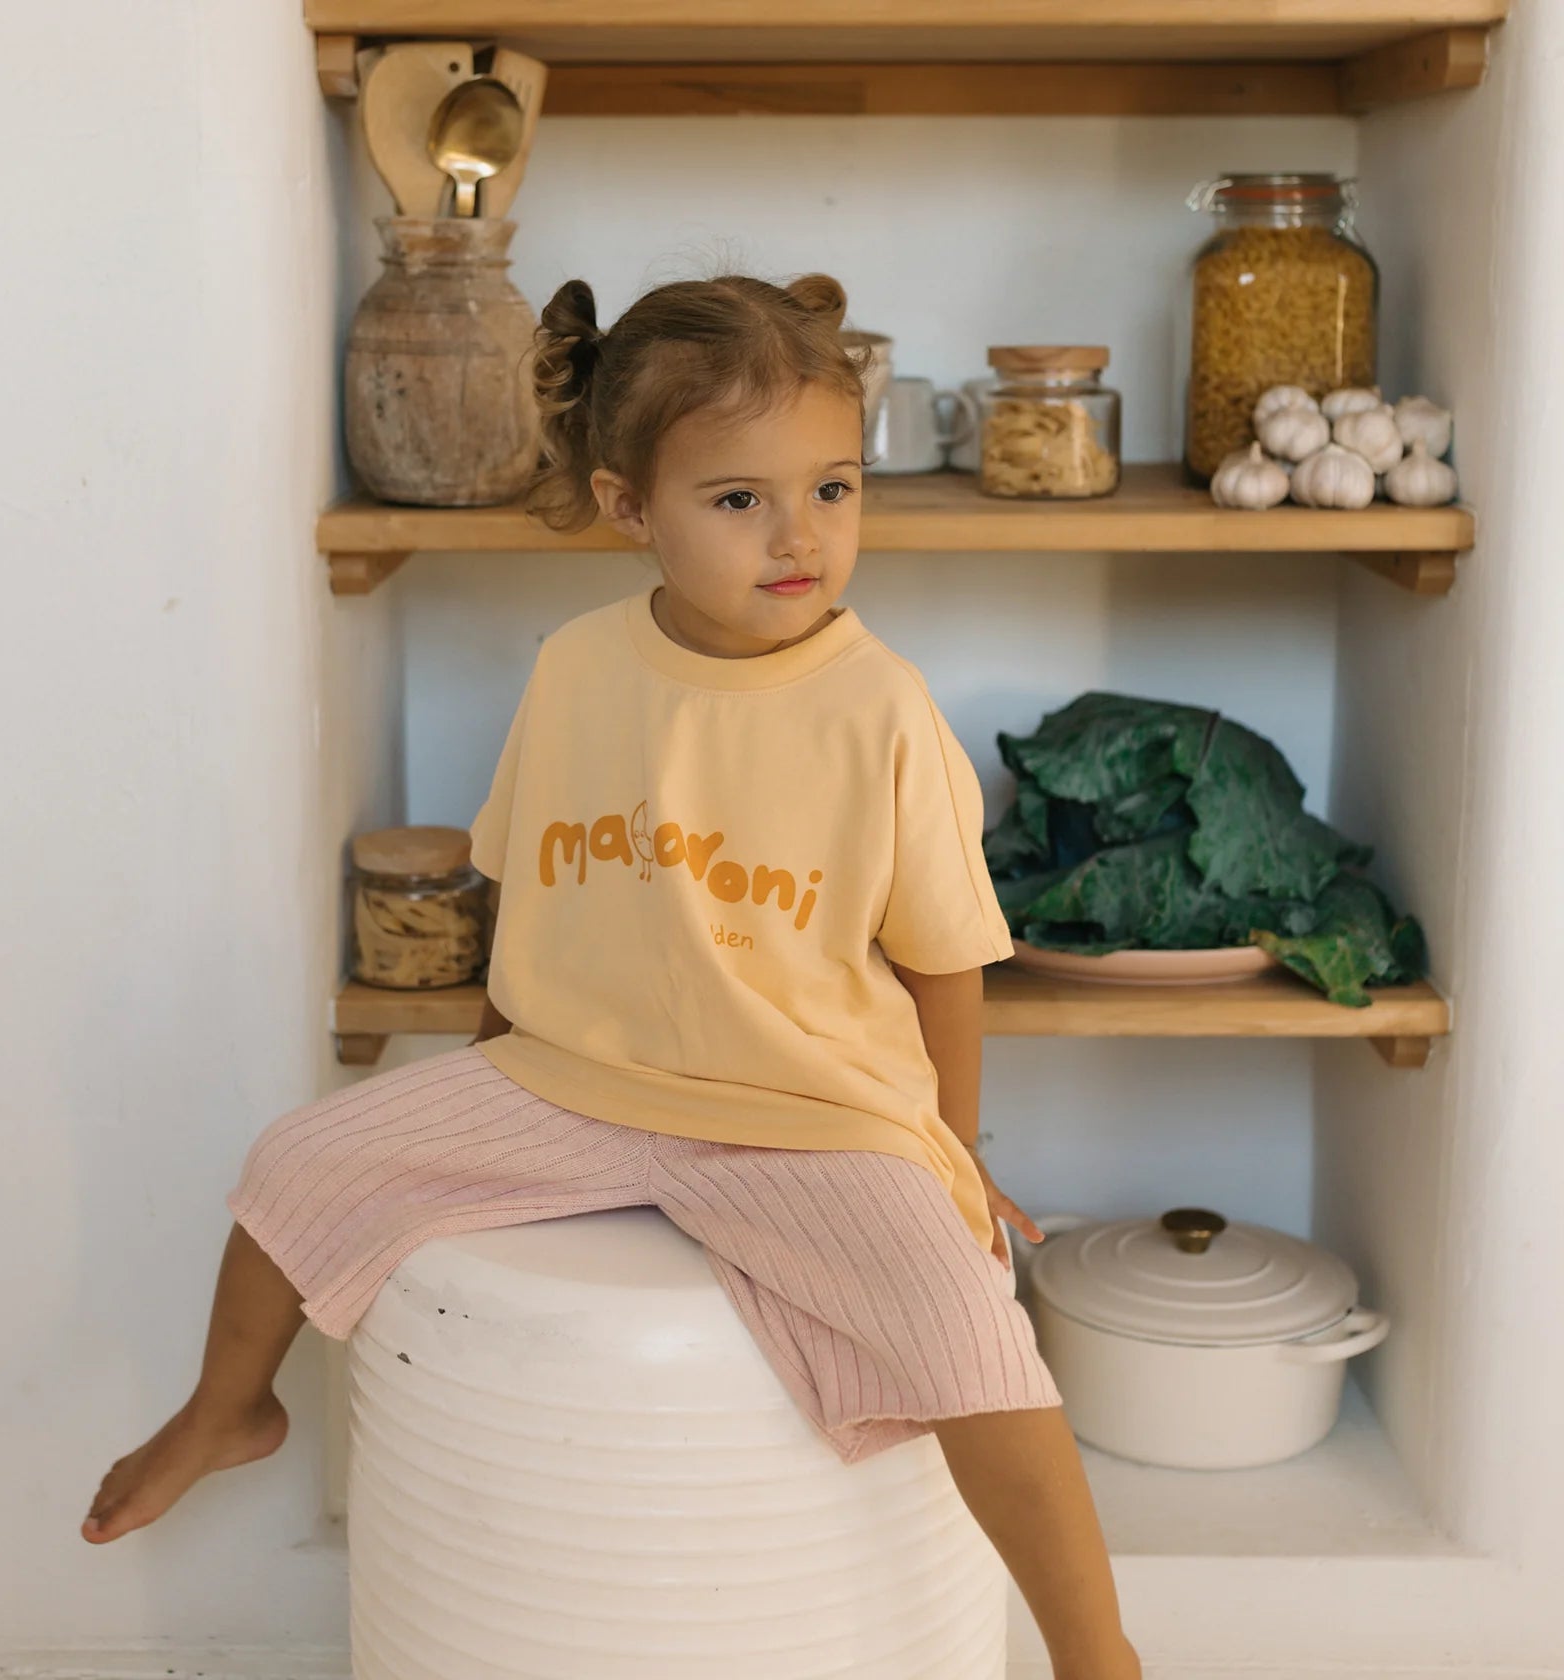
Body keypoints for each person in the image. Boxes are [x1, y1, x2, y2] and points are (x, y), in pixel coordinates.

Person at [83, 269, 1140, 1679]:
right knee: (295, 1165)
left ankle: (1095, 1653)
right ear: (629, 506)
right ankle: (230, 1405)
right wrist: (476, 1081)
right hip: (572, 1082)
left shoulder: (878, 708)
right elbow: (532, 900)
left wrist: (946, 1147)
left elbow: (947, 964)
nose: (799, 537)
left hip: (808, 1114)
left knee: (969, 1335)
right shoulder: (579, 666)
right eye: (739, 499)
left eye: (833, 490)